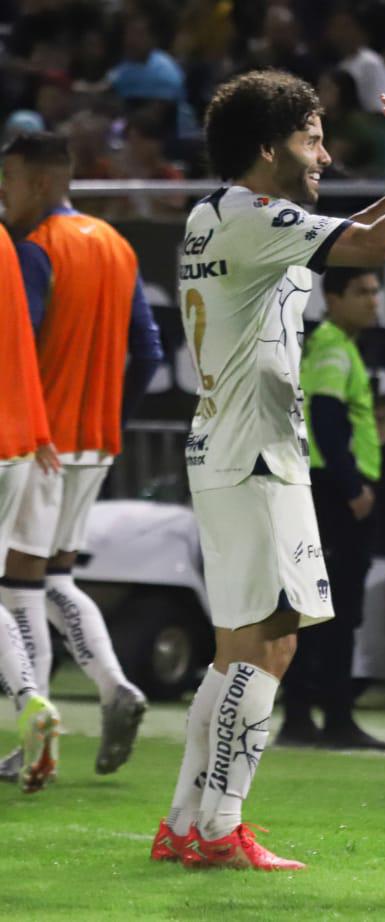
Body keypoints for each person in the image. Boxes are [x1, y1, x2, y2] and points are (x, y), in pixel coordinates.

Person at [149, 69, 385, 871]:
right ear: (268, 148)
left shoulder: (217, 215)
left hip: (225, 449)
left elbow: (359, 229)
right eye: (310, 140)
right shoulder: (253, 218)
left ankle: (185, 820)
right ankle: (220, 828)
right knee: (272, 648)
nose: (324, 155)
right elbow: (376, 245)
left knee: (234, 652)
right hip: (259, 456)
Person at [0, 131, 163, 782]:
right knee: (56, 580)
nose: (5, 194)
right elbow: (148, 351)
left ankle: (34, 727)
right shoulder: (117, 245)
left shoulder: (36, 249)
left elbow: (21, 343)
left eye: (10, 180)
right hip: (95, 443)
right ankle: (114, 684)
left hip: (39, 442)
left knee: (18, 587)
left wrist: (40, 424)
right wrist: (110, 423)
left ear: (40, 182)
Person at [279, 268, 385, 752]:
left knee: (316, 608)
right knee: (336, 611)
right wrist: (353, 488)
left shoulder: (334, 344)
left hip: (325, 491)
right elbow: (325, 417)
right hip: (335, 495)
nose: (373, 300)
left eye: (375, 291)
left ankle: (302, 718)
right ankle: (333, 719)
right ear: (332, 297)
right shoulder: (332, 345)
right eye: (361, 292)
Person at [0, 220, 63, 796]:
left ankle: (28, 698)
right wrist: (38, 428)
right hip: (17, 443)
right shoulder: (4, 241)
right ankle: (29, 699)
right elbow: (21, 337)